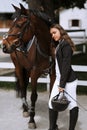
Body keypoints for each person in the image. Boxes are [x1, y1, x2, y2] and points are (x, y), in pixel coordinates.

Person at [48, 23, 79, 130]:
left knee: (72, 105)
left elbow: (66, 66)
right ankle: (52, 128)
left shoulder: (65, 45)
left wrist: (62, 85)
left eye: (54, 32)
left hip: (68, 81)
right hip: (59, 79)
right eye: (51, 34)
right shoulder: (59, 44)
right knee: (51, 104)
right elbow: (58, 63)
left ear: (61, 31)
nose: (53, 35)